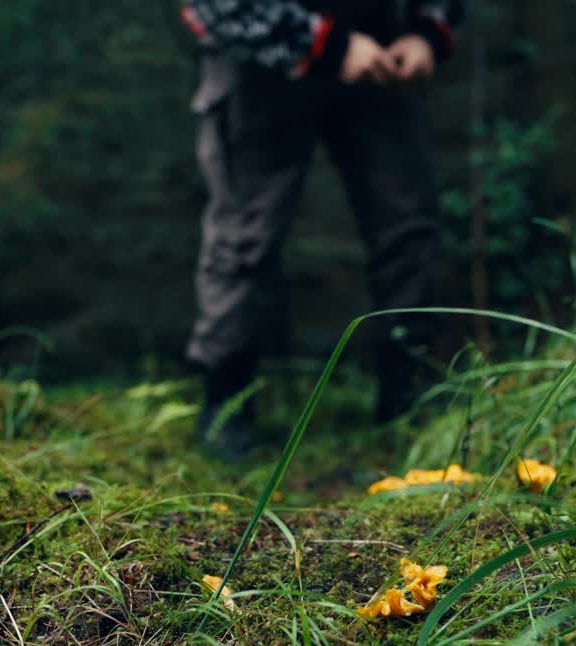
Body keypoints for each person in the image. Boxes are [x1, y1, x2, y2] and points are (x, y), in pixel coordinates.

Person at [180, 0, 466, 460]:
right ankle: (226, 402)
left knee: (409, 227)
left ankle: (411, 400)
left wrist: (426, 30)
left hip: (384, 47)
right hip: (259, 63)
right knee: (243, 238)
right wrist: (321, 43)